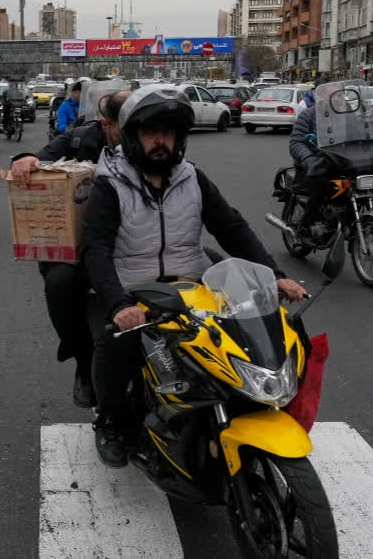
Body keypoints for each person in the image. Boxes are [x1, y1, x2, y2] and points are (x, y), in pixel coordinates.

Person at [83, 85, 307, 467]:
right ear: (133, 136)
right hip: (134, 288)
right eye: (152, 132)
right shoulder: (110, 185)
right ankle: (111, 421)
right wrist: (119, 303)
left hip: (193, 283)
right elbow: (96, 249)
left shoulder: (192, 179)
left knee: (261, 332)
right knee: (116, 345)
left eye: (169, 133)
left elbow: (231, 228)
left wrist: (276, 275)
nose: (161, 141)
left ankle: (249, 406)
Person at [10, 89, 131, 408]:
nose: (137, 135)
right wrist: (24, 160)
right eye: (126, 126)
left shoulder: (153, 145)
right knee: (60, 282)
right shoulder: (80, 139)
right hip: (77, 246)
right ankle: (81, 358)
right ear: (106, 123)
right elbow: (41, 155)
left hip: (133, 242)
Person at [289, 100, 329, 241]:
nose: (337, 98)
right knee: (321, 185)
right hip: (312, 166)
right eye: (331, 94)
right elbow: (296, 143)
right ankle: (306, 225)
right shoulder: (309, 115)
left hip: (339, 163)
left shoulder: (347, 114)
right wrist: (308, 158)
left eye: (339, 94)